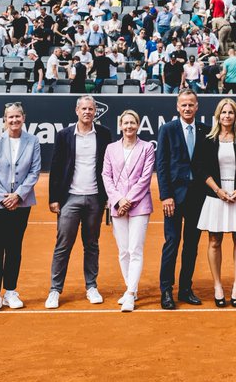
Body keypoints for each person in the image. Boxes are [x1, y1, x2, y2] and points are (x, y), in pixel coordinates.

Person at [45, 95, 113, 309]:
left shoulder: (104, 134)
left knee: (91, 245)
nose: (87, 112)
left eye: (91, 109)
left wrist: (108, 197)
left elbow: (109, 167)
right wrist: (54, 198)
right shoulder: (64, 135)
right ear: (77, 111)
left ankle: (91, 286)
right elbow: (56, 166)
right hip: (69, 198)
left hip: (95, 198)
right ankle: (55, 290)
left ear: (95, 111)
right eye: (84, 109)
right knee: (63, 245)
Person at [193, 97, 236, 307]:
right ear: (218, 115)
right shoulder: (207, 139)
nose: (227, 116)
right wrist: (218, 190)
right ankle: (218, 286)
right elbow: (200, 168)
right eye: (224, 112)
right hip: (215, 195)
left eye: (231, 112)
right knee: (214, 241)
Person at [0, 102, 42, 312]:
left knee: (14, 248)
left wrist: (17, 195)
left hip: (21, 203)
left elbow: (34, 171)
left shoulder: (33, 141)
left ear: (23, 118)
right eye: (10, 117)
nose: (14, 120)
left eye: (18, 116)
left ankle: (10, 292)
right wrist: (4, 197)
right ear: (5, 119)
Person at [156, 89, 208, 309]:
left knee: (191, 245)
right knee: (172, 242)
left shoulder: (205, 130)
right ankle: (166, 290)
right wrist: (166, 195)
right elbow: (161, 165)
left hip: (197, 197)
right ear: (178, 107)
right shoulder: (167, 129)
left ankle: (185, 289)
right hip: (174, 198)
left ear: (197, 107)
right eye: (183, 105)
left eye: (191, 104)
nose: (187, 108)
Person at [102, 109, 155, 312]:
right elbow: (106, 176)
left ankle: (131, 294)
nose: (129, 126)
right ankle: (130, 287)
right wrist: (118, 200)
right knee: (123, 251)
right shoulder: (111, 148)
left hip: (139, 205)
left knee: (135, 250)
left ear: (138, 125)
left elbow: (145, 178)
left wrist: (128, 200)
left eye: (133, 123)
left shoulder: (147, 147)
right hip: (117, 205)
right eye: (126, 123)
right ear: (120, 125)